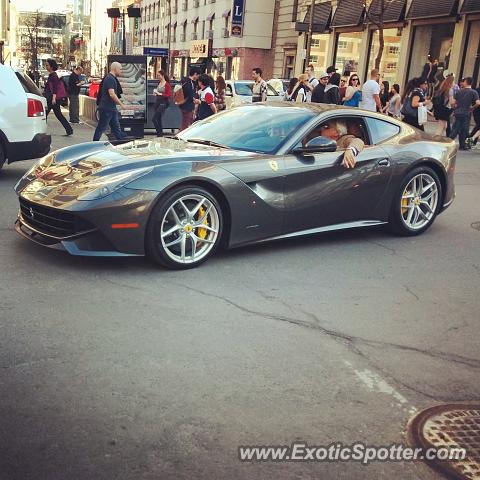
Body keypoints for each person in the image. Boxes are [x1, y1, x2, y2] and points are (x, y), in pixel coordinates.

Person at [93, 62, 126, 141]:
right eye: (120, 69)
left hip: (111, 108)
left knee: (116, 128)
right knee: (101, 127)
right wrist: (121, 104)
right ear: (115, 69)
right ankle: (94, 144)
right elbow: (112, 94)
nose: (121, 71)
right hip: (107, 108)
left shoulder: (110, 78)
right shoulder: (110, 79)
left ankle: (121, 144)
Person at [44, 58, 73, 136]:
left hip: (52, 99)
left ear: (51, 66)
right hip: (53, 98)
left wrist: (54, 97)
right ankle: (69, 130)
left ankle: (42, 130)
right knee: (57, 114)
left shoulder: (53, 76)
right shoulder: (52, 75)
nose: (46, 67)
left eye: (47, 65)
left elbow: (55, 87)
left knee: (45, 114)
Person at [450, 77, 480, 150]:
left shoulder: (459, 91)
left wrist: (455, 108)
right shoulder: (473, 92)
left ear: (466, 82)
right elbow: (478, 103)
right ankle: (453, 142)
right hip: (466, 113)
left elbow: (452, 103)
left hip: (458, 112)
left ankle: (461, 144)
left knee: (458, 127)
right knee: (462, 129)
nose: (463, 83)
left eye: (464, 81)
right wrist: (472, 108)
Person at [179, 67, 200, 131]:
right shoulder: (190, 83)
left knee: (186, 122)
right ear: (195, 74)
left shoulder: (185, 81)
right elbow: (191, 95)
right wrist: (197, 96)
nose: (198, 77)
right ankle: (181, 137)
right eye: (198, 75)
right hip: (188, 106)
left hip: (183, 105)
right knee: (186, 124)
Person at [152, 70, 171, 137]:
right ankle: (160, 134)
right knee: (158, 119)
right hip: (157, 102)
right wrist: (155, 93)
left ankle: (159, 133)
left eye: (159, 75)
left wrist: (159, 93)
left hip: (163, 103)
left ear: (162, 76)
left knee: (154, 119)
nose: (158, 77)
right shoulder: (159, 83)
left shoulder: (167, 84)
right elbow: (158, 93)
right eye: (157, 75)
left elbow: (168, 95)